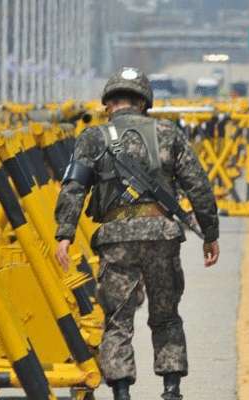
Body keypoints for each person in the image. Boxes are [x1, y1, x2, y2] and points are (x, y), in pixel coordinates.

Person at [54, 67, 220, 400]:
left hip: (117, 239)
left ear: (108, 103)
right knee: (166, 314)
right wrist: (210, 233)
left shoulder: (93, 137)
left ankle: (121, 392)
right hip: (161, 234)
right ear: (144, 102)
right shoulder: (167, 133)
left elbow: (74, 187)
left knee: (117, 318)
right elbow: (198, 185)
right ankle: (171, 390)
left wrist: (65, 234)